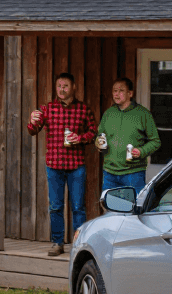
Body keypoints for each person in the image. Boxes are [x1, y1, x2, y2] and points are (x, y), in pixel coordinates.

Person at [27, 72, 98, 256]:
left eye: (65, 86)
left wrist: (80, 138)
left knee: (78, 207)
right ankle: (57, 243)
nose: (62, 89)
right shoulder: (48, 109)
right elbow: (33, 131)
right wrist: (32, 121)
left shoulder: (83, 109)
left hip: (76, 166)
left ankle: (80, 244)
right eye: (59, 86)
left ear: (73, 87)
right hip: (54, 166)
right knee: (56, 206)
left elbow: (94, 133)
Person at [96, 78, 160, 196]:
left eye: (121, 91)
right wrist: (99, 143)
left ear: (130, 93)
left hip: (133, 174)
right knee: (111, 212)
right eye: (114, 90)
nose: (116, 94)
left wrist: (141, 151)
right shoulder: (108, 113)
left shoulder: (143, 114)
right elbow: (100, 134)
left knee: (132, 210)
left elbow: (155, 141)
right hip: (109, 173)